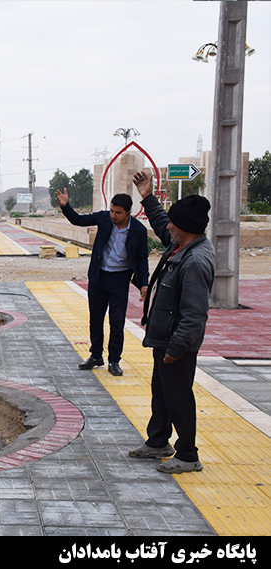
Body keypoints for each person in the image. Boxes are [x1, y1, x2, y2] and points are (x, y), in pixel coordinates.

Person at [128, 171, 214, 474]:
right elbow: (162, 222)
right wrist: (147, 196)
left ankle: (188, 454)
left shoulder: (194, 261)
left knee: (178, 396)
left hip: (176, 341)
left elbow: (194, 314)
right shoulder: (181, 245)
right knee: (162, 391)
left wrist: (177, 347)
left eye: (174, 224)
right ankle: (158, 442)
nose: (168, 227)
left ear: (187, 229)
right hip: (164, 336)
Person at [56, 187, 149, 376]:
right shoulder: (104, 218)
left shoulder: (138, 230)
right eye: (112, 210)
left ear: (128, 213)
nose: (113, 215)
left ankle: (114, 361)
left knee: (117, 322)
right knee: (95, 319)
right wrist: (66, 206)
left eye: (118, 213)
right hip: (98, 277)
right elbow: (78, 220)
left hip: (120, 279)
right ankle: (96, 355)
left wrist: (144, 284)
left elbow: (141, 258)